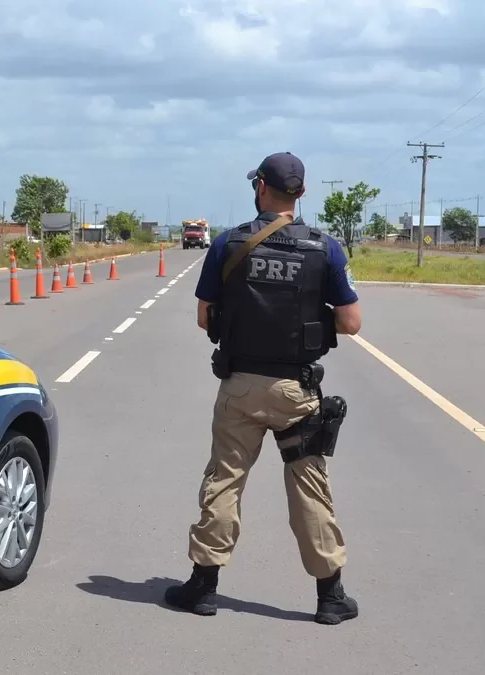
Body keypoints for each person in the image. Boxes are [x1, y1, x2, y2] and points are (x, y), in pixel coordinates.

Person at [164, 151, 363, 625]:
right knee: (309, 485)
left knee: (224, 481)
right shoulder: (326, 248)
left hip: (240, 386)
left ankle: (204, 588)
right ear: (302, 193)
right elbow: (352, 322)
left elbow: (202, 316)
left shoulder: (227, 243)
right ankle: (330, 597)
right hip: (297, 389)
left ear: (260, 188)